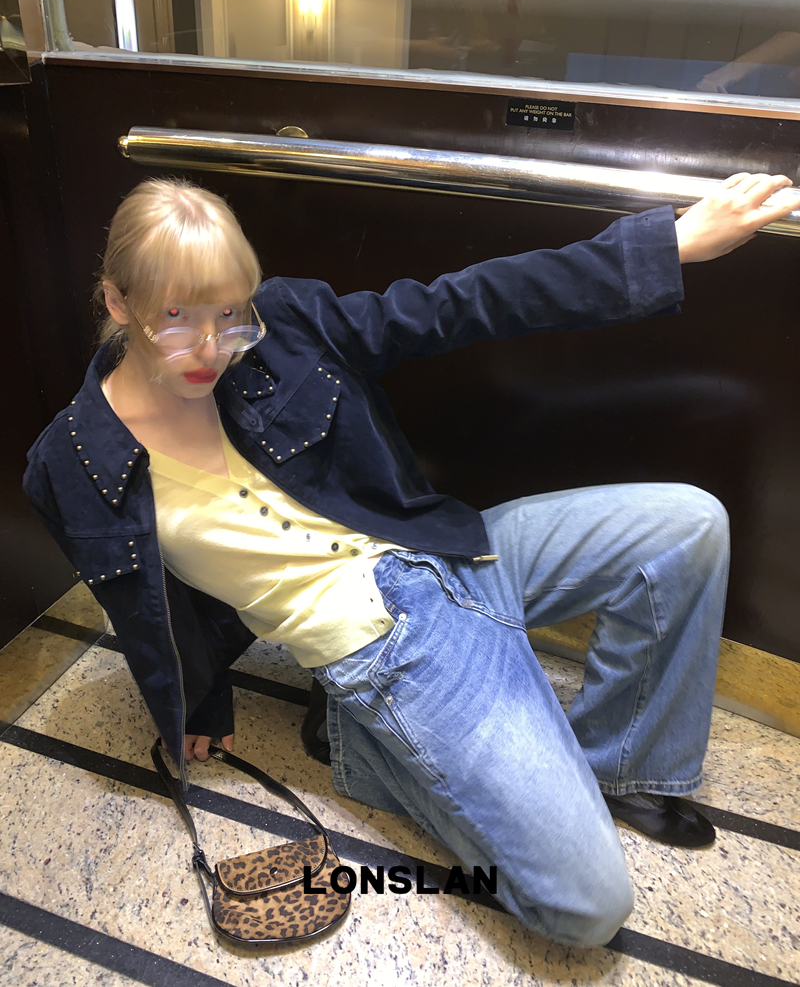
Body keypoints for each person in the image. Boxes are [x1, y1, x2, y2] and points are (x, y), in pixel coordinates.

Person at [22, 172, 800, 948]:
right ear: (117, 302)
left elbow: (462, 301)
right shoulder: (71, 466)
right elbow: (145, 606)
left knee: (689, 525)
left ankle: (613, 764)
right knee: (587, 906)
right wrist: (196, 705)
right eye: (174, 317)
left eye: (228, 313)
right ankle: (365, 745)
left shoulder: (284, 322)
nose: (209, 347)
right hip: (386, 647)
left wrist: (668, 245)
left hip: (443, 548)